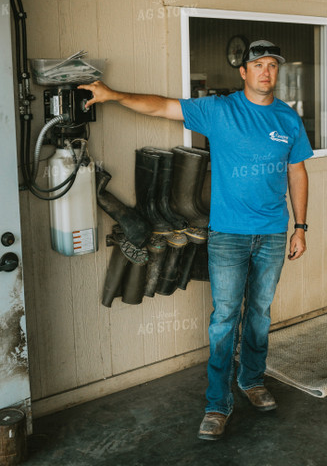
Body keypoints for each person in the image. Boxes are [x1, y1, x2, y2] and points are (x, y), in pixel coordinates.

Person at [79, 39, 313, 441]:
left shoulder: (288, 119)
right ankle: (217, 404)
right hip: (228, 236)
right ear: (243, 72)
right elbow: (162, 106)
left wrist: (301, 227)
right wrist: (111, 95)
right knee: (224, 319)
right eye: (258, 65)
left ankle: (252, 381)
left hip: (273, 233)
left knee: (258, 313)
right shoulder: (220, 111)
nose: (265, 72)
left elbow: (297, 173)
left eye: (272, 65)